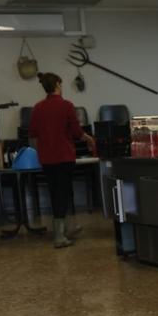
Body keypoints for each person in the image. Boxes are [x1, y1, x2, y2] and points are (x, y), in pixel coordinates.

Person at [29, 72, 95, 248]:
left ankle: (62, 230)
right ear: (58, 84)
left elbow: (33, 133)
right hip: (64, 156)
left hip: (46, 157)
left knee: (54, 192)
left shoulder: (38, 108)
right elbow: (76, 132)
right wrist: (88, 138)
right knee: (63, 193)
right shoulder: (66, 105)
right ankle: (59, 236)